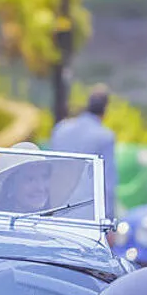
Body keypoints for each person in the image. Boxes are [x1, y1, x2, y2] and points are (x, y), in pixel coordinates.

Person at [48, 86, 119, 239]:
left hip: (58, 209)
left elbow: (50, 168)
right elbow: (107, 183)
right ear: (105, 110)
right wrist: (109, 219)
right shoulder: (105, 136)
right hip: (87, 213)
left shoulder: (60, 129)